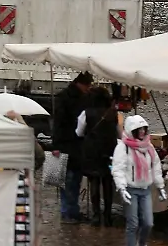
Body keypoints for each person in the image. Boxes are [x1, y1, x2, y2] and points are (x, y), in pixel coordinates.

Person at [112, 115, 166, 246]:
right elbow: (118, 169)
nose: (142, 132)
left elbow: (156, 167)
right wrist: (122, 188)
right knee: (133, 223)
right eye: (139, 129)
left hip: (145, 189)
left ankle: (142, 243)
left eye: (144, 129)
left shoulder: (149, 147)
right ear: (132, 130)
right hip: (131, 189)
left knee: (148, 223)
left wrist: (161, 186)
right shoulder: (123, 147)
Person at [52, 71, 93, 224]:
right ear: (80, 83)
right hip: (70, 144)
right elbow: (58, 123)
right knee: (69, 180)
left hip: (72, 145)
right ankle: (68, 212)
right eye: (87, 85)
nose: (88, 88)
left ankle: (72, 211)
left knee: (73, 180)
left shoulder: (70, 97)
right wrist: (55, 145)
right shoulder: (69, 98)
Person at [77, 86, 120, 227]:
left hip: (92, 153)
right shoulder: (113, 113)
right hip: (110, 152)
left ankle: (96, 215)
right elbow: (119, 133)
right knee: (108, 183)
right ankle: (107, 216)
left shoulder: (86, 113)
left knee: (94, 182)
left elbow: (79, 132)